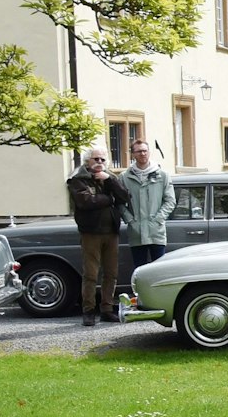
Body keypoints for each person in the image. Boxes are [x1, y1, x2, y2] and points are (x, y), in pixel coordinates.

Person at [67, 144, 131, 326]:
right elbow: (85, 201)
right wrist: (109, 199)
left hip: (111, 232)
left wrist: (109, 182)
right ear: (88, 160)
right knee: (91, 274)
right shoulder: (79, 179)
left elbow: (125, 197)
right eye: (96, 159)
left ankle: (107, 309)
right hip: (91, 233)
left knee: (111, 273)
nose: (100, 162)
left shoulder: (110, 177)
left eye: (103, 159)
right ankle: (88, 311)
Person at [121, 139, 175, 271]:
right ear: (133, 154)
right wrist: (130, 220)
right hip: (136, 232)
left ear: (149, 152)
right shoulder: (124, 177)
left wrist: (158, 220)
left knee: (159, 270)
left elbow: (170, 201)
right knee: (139, 270)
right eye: (139, 151)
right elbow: (119, 203)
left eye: (145, 151)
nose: (143, 154)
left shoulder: (162, 175)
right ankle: (140, 292)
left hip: (156, 232)